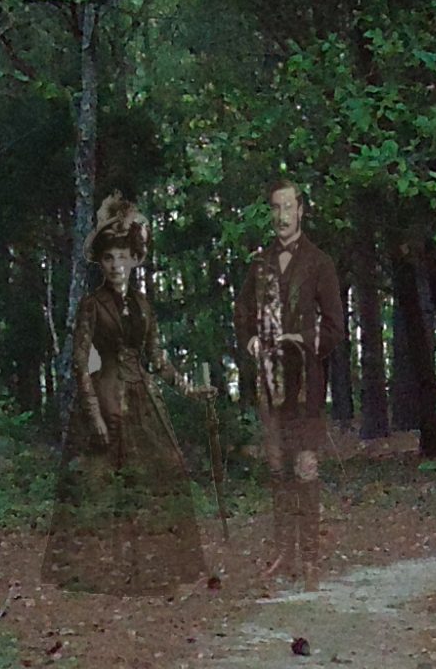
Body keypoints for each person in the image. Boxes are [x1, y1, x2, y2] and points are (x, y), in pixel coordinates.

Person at [42, 202, 204, 595]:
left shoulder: (144, 306)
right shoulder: (91, 306)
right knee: (99, 485)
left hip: (141, 397)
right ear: (101, 263)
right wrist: (94, 416)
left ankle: (151, 568)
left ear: (134, 260)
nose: (116, 265)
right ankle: (99, 572)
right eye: (109, 258)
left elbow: (158, 358)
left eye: (123, 258)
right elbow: (81, 365)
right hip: (105, 395)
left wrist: (187, 388)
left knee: (165, 469)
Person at [234, 178, 344, 580]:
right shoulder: (259, 263)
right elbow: (242, 312)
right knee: (277, 467)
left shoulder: (320, 263)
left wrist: (304, 339)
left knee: (305, 466)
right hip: (269, 382)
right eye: (275, 209)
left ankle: (311, 557)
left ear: (301, 210)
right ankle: (284, 554)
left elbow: (335, 329)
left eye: (288, 207)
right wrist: (248, 339)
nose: (282, 216)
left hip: (306, 383)